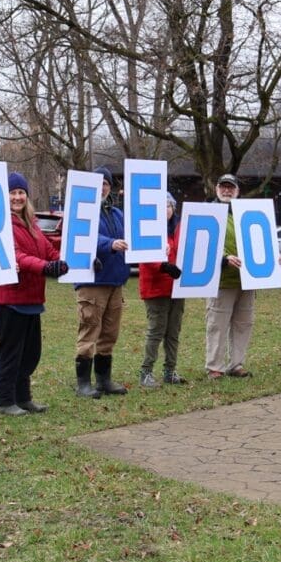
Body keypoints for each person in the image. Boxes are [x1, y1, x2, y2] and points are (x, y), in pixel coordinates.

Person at [0, 172, 68, 415]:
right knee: (11, 353)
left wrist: (69, 263)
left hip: (32, 299)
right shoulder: (1, 224)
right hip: (10, 299)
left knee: (30, 353)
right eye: (12, 192)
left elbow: (48, 251)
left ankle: (23, 398)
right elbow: (17, 257)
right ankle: (6, 401)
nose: (17, 197)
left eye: (21, 192)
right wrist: (45, 267)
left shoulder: (32, 224)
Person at [74, 165, 129, 398]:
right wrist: (110, 244)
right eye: (98, 184)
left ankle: (104, 380)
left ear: (109, 187)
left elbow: (132, 235)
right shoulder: (82, 211)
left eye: (105, 184)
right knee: (89, 330)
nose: (102, 188)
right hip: (92, 282)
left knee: (109, 332)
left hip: (115, 280)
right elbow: (84, 236)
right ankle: (83, 384)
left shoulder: (117, 214)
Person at [204, 173, 255, 379]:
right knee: (217, 324)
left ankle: (237, 364)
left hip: (247, 280)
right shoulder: (207, 213)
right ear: (216, 189)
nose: (227, 190)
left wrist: (271, 256)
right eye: (223, 187)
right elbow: (203, 244)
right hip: (221, 280)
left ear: (237, 191)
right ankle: (215, 366)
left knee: (243, 323)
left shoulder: (248, 214)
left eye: (231, 187)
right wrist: (224, 259)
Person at [138, 192, 185, 388]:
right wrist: (163, 266)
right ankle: (146, 371)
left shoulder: (180, 227)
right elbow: (144, 253)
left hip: (178, 287)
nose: (165, 209)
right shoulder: (147, 228)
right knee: (156, 330)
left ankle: (169, 370)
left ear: (173, 208)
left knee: (173, 331)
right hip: (156, 287)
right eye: (162, 206)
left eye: (169, 205)